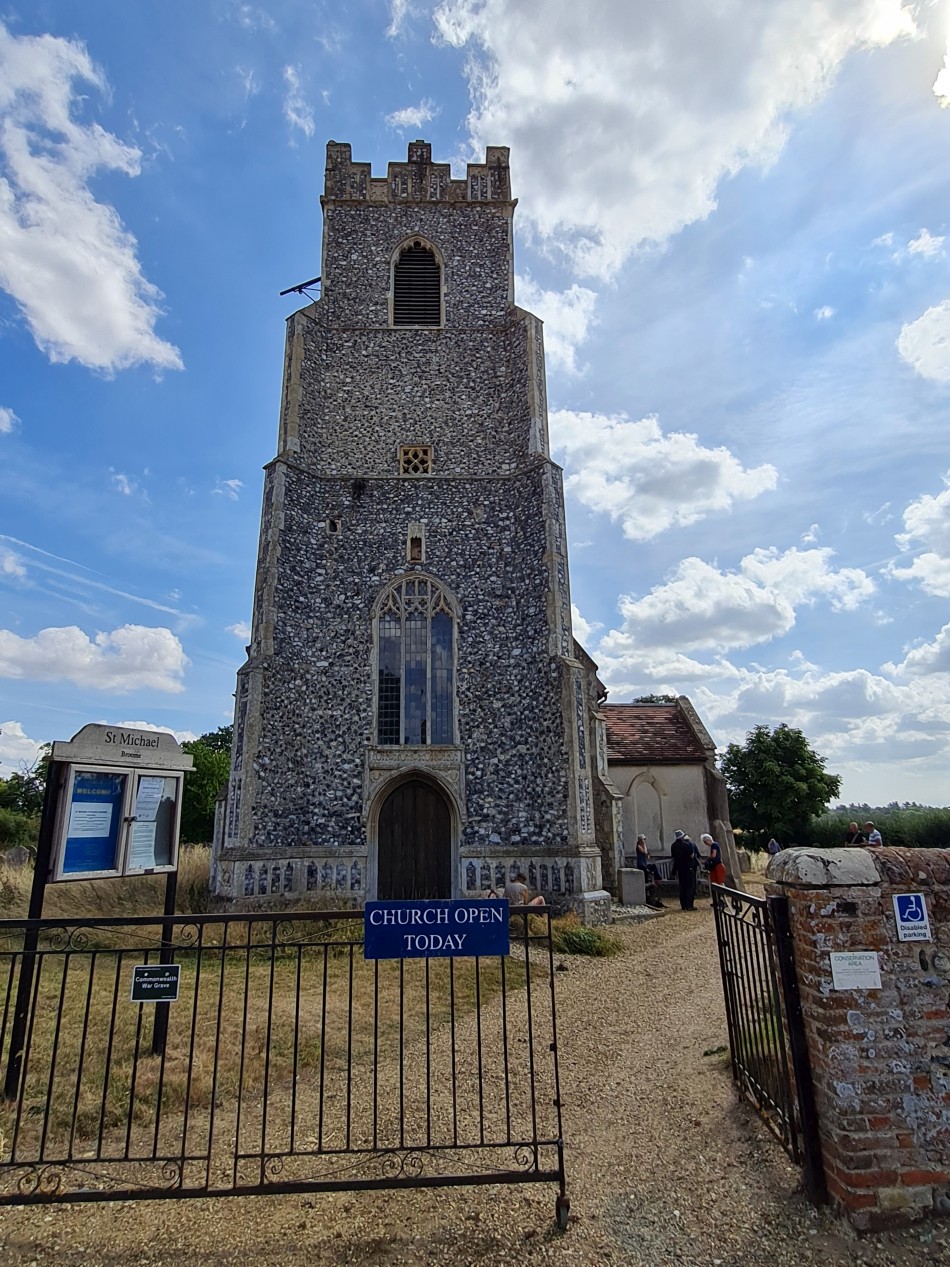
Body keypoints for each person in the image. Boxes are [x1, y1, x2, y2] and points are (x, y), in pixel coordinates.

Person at [669, 829, 699, 911]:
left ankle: (683, 905)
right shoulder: (686, 845)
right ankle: (689, 905)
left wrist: (673, 871)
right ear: (682, 837)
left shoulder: (673, 846)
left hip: (679, 868)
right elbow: (692, 855)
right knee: (689, 886)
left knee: (682, 886)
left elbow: (674, 858)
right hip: (688, 868)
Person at [634, 833, 665, 908]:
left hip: (644, 862)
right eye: (643, 839)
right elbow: (644, 852)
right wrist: (645, 848)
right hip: (641, 863)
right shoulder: (638, 846)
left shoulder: (642, 845)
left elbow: (646, 853)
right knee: (645, 873)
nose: (644, 841)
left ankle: (656, 880)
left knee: (652, 868)